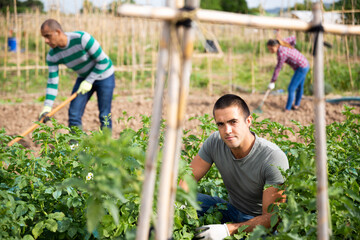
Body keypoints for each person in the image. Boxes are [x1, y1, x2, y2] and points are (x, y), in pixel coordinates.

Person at [181, 94, 289, 240]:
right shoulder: (215, 142)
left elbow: (272, 218)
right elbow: (188, 178)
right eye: (221, 124)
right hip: (230, 210)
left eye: (233, 122)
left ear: (248, 121)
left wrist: (227, 230)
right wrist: (178, 204)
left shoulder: (272, 157)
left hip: (258, 223)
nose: (227, 130)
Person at [39, 19, 115, 131]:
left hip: (105, 76)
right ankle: (75, 146)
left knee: (104, 114)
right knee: (74, 113)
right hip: (84, 78)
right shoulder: (52, 56)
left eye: (48, 36)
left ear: (58, 32)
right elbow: (52, 82)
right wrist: (47, 107)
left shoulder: (82, 39)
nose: (45, 40)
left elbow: (103, 62)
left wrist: (89, 81)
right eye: (44, 37)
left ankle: (107, 145)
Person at [267, 34, 310, 111]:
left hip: (302, 67)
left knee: (291, 88)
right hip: (304, 63)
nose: (270, 51)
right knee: (299, 87)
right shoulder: (283, 42)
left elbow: (278, 68)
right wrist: (292, 47)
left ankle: (288, 108)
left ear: (276, 46)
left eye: (271, 48)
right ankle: (296, 105)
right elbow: (293, 37)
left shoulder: (281, 53)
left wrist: (273, 81)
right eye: (269, 49)